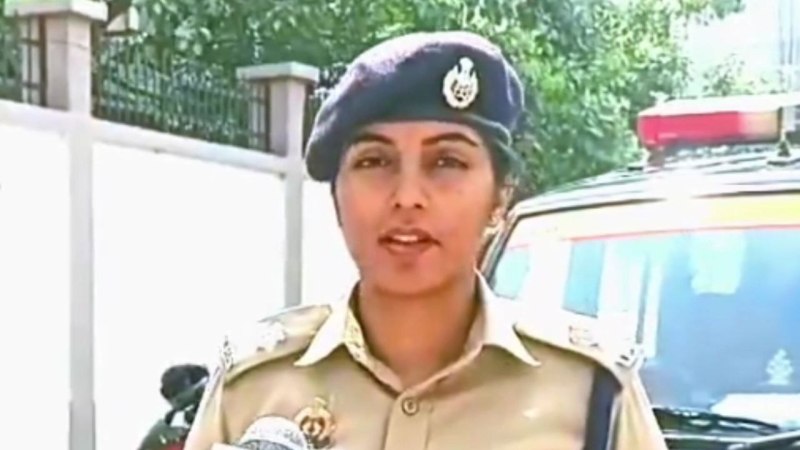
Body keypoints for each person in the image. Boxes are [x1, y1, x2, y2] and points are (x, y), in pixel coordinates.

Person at [184, 31, 668, 450]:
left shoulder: (592, 391)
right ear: (336, 198)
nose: (408, 196)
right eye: (374, 162)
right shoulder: (253, 385)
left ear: (500, 198)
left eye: (447, 163)